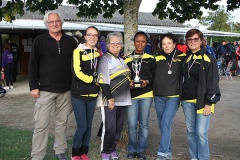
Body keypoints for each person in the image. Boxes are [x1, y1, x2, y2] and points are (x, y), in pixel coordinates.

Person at [28, 10, 77, 160]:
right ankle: (37, 155)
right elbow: (33, 65)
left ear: (61, 22)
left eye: (57, 21)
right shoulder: (39, 41)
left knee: (62, 123)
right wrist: (33, 86)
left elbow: (76, 64)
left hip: (66, 89)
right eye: (51, 22)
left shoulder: (71, 41)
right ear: (47, 24)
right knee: (41, 124)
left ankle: (60, 150)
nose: (55, 24)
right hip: (45, 90)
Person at [181, 29, 221, 160]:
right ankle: (194, 157)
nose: (192, 42)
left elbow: (213, 81)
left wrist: (209, 102)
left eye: (195, 39)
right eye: (190, 39)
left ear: (201, 41)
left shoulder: (208, 58)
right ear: (187, 41)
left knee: (201, 133)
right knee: (191, 132)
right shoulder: (186, 58)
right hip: (187, 101)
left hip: (203, 102)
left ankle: (203, 158)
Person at [97, 32, 132, 160]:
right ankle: (105, 151)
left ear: (122, 45)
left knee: (118, 127)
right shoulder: (105, 59)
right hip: (109, 99)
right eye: (113, 43)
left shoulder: (121, 59)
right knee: (109, 128)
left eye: (118, 42)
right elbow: (102, 81)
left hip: (123, 99)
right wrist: (110, 98)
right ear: (107, 44)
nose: (116, 45)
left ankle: (112, 150)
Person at [153, 33, 187, 160]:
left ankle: (162, 153)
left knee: (166, 122)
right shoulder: (157, 57)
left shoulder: (183, 57)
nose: (166, 46)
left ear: (174, 44)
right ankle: (168, 153)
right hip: (159, 96)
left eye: (168, 43)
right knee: (162, 125)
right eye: (164, 44)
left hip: (173, 96)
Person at [124, 31, 156, 160]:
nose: (140, 44)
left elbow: (155, 77)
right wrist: (128, 82)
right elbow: (123, 76)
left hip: (146, 94)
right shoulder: (126, 58)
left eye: (143, 41)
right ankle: (132, 149)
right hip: (131, 95)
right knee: (131, 124)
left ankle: (142, 149)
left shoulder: (151, 58)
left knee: (143, 124)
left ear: (146, 43)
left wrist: (147, 81)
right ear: (134, 43)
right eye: (138, 41)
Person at [71, 26, 101, 160]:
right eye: (90, 35)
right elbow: (77, 73)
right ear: (85, 36)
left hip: (93, 95)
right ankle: (75, 153)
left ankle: (84, 152)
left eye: (95, 35)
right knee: (82, 126)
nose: (92, 37)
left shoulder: (98, 53)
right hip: (79, 95)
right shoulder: (78, 51)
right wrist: (92, 80)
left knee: (89, 127)